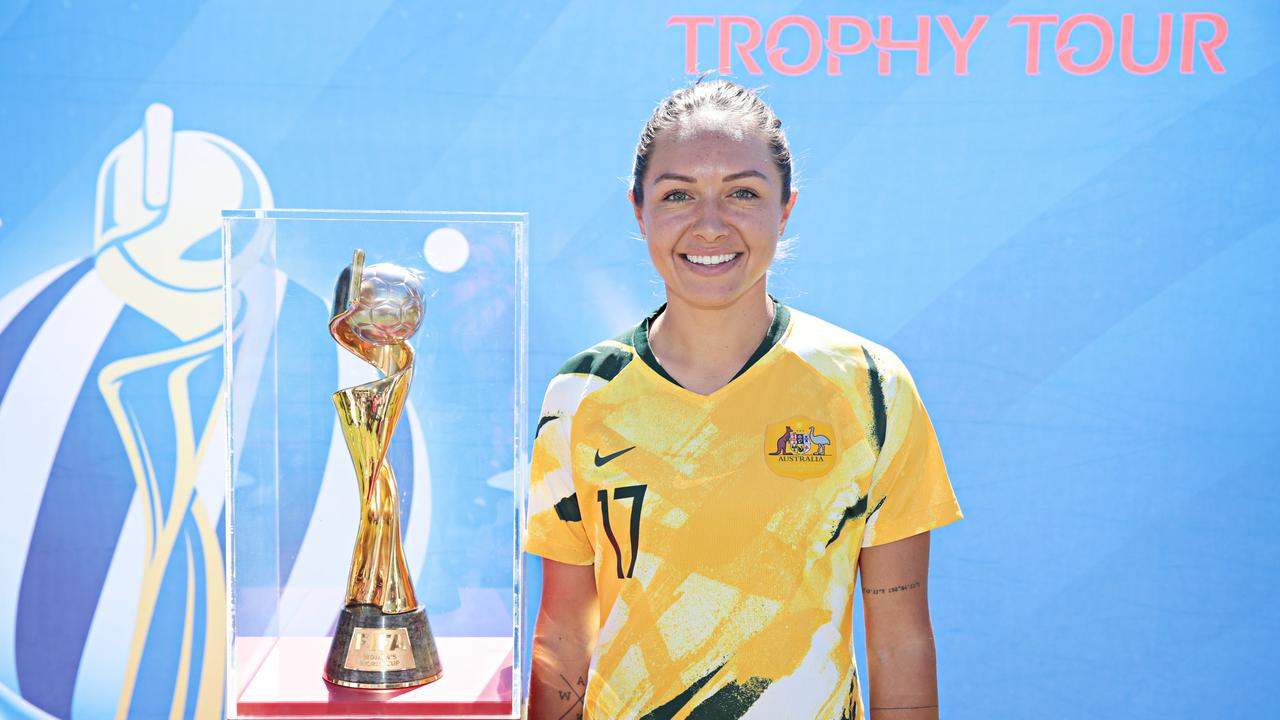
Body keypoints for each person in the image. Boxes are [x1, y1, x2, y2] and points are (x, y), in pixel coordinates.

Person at [524, 79, 963, 720]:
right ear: (638, 210)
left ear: (785, 208)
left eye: (743, 193)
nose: (710, 224)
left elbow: (899, 639)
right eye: (678, 194)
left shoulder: (870, 386)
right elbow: (563, 634)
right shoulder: (583, 392)